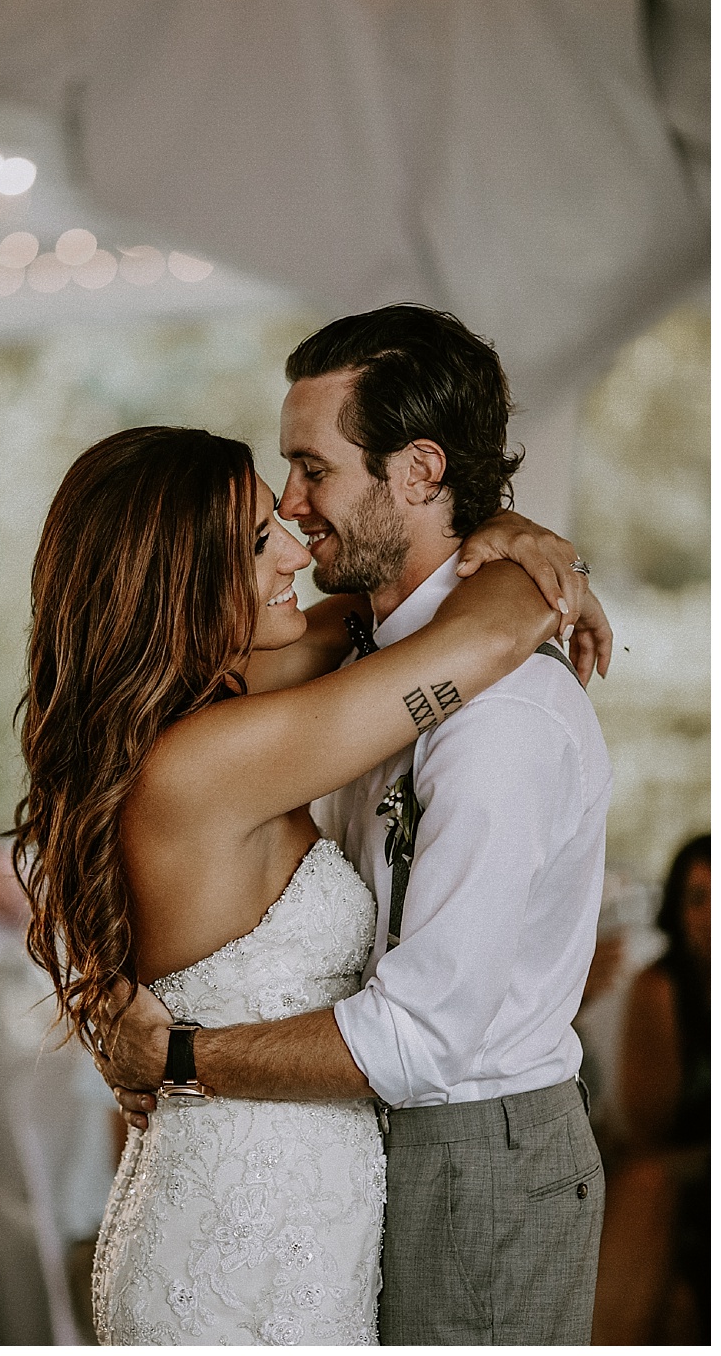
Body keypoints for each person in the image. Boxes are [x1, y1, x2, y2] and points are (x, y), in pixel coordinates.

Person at [89, 305, 614, 1344]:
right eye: (262, 519)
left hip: (471, 1154)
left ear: (416, 472)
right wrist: (522, 564)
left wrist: (178, 1056)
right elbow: (439, 645)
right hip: (295, 1182)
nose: (290, 516)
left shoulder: (492, 715)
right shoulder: (313, 687)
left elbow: (418, 1036)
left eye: (308, 469)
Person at [594, 832, 708, 1341]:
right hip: (681, 1172)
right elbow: (648, 1130)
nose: (708, 916)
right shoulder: (661, 986)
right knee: (645, 1183)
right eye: (697, 898)